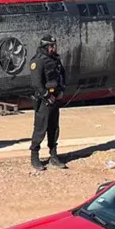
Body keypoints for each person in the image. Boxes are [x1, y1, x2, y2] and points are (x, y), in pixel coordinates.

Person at [29, 35, 68, 171]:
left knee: (54, 129)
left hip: (55, 98)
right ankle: (34, 157)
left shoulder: (55, 59)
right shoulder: (38, 61)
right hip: (44, 101)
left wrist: (61, 90)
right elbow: (36, 83)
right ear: (47, 47)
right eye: (52, 46)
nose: (54, 48)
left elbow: (62, 75)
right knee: (40, 129)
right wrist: (47, 95)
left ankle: (53, 156)